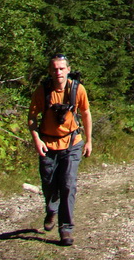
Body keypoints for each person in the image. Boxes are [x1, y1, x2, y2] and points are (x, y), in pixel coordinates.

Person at [27, 54, 92, 247]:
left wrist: (89, 141)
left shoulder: (77, 89)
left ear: (68, 70)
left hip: (72, 143)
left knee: (68, 184)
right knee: (49, 184)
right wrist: (36, 139)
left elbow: (86, 113)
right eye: (55, 69)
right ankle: (51, 210)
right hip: (48, 145)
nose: (58, 72)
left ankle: (66, 229)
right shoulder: (42, 91)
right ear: (50, 71)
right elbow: (32, 116)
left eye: (62, 68)